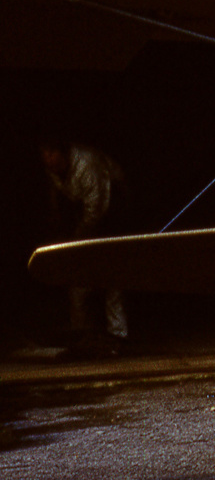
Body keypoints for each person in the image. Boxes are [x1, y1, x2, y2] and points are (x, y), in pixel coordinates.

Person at [39, 139, 127, 355]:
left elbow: (97, 209)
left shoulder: (87, 166)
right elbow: (56, 197)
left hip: (113, 213)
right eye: (45, 153)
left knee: (111, 277)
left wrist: (77, 239)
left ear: (64, 152)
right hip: (82, 218)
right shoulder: (53, 169)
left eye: (52, 152)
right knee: (77, 281)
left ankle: (119, 336)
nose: (48, 158)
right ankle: (82, 335)